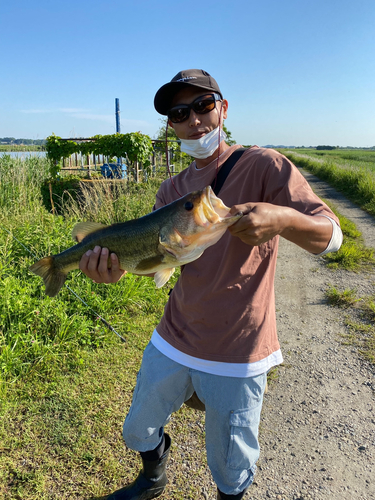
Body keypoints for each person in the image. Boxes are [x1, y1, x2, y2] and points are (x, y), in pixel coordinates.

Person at [79, 69, 343, 500]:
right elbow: (157, 259)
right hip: (174, 334)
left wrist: (282, 219)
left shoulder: (264, 165)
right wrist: (111, 268)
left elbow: (332, 236)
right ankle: (153, 477)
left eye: (203, 106)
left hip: (239, 347)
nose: (195, 120)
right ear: (173, 126)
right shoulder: (172, 189)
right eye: (180, 113)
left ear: (222, 108)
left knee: (230, 462)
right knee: (137, 426)